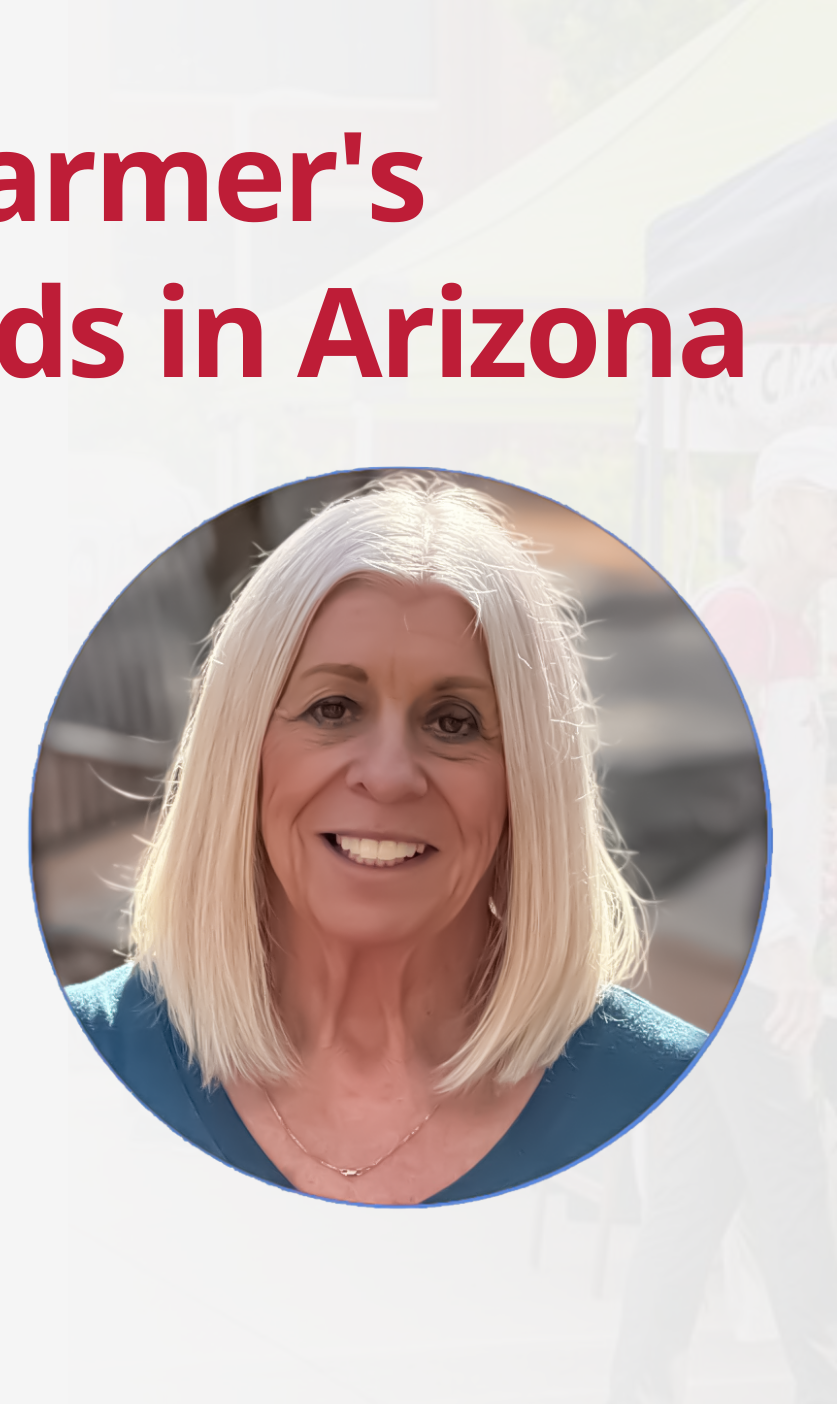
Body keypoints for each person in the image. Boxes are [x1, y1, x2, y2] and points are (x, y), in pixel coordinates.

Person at [68, 474, 709, 1205]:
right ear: (240, 750)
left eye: (454, 722)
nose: (389, 774)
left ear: (527, 779)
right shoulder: (77, 1058)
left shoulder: (672, 1088)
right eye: (333, 707)